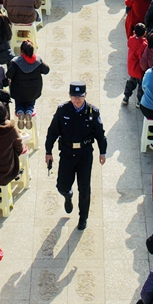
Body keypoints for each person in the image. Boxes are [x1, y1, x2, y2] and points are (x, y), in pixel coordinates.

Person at [44, 82, 107, 229]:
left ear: (85, 96)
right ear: (69, 96)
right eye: (74, 97)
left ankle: (83, 218)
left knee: (84, 189)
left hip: (85, 154)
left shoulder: (92, 112)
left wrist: (102, 152)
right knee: (62, 186)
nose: (77, 100)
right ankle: (68, 195)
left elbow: (99, 134)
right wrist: (48, 151)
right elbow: (52, 132)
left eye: (80, 97)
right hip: (67, 153)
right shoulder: (63, 110)